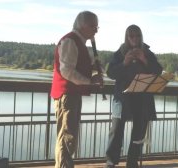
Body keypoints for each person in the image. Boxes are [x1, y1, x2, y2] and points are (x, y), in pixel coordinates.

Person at [105, 24, 163, 168]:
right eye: (131, 36)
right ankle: (111, 162)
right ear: (127, 37)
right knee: (116, 130)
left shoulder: (147, 52)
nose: (135, 39)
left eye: (137, 36)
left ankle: (132, 162)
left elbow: (158, 71)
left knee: (139, 131)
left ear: (141, 36)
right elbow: (110, 73)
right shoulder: (120, 53)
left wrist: (144, 60)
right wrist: (124, 62)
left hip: (142, 98)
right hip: (122, 98)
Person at [50, 11, 102, 168]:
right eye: (93, 26)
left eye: (97, 26)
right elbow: (66, 71)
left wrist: (95, 67)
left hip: (72, 94)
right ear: (82, 25)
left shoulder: (79, 43)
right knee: (67, 137)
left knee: (69, 137)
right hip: (67, 95)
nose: (96, 30)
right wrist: (90, 81)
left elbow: (79, 66)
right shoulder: (70, 41)